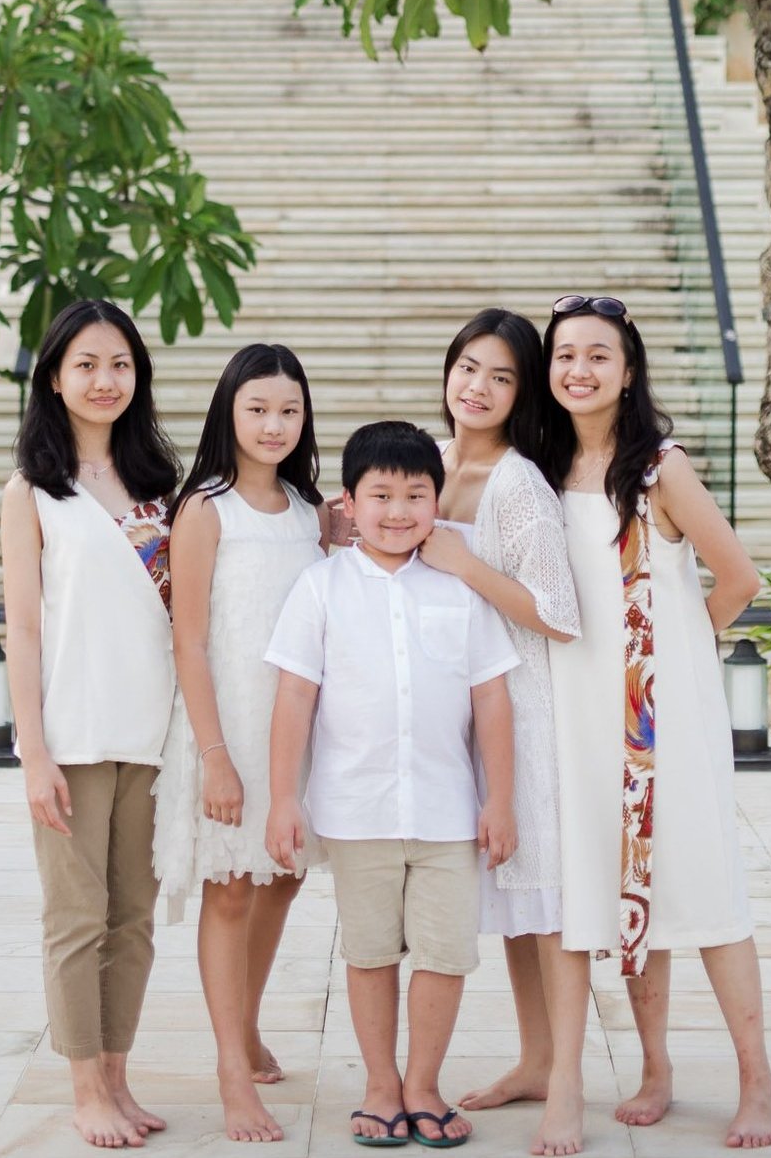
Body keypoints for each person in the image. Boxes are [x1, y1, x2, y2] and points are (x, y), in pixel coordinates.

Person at [538, 293, 771, 1156]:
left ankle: (756, 1078)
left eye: (597, 354)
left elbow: (740, 577)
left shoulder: (659, 468)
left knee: (701, 884)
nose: (579, 369)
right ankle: (654, 1068)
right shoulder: (542, 470)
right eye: (565, 354)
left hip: (662, 724)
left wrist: (671, 653)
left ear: (628, 368)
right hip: (578, 720)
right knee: (619, 886)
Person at [265, 421, 519, 1151]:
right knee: (371, 951)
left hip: (447, 812)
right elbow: (294, 698)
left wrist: (498, 798)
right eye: (381, 494)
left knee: (443, 953)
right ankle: (380, 1082)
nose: (399, 510)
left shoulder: (459, 586)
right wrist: (285, 795)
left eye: (416, 494)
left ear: (438, 500)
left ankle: (424, 1083)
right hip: (356, 808)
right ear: (350, 500)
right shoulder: (320, 587)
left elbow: (492, 698)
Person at [0, 299, 178, 1152]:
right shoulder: (32, 491)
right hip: (73, 733)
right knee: (77, 917)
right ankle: (83, 1089)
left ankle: (116, 1072)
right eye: (86, 364)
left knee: (134, 917)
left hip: (153, 734)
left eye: (120, 364)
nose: (104, 380)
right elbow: (24, 630)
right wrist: (33, 753)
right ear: (55, 377)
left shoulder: (160, 485)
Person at [152, 344, 329, 1144]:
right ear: (230, 411)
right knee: (230, 888)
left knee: (283, 876)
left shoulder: (305, 507)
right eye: (257, 408)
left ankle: (248, 1023)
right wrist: (216, 755)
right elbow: (189, 642)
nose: (273, 423)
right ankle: (231, 1067)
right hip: (225, 727)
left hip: (294, 732)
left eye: (288, 409)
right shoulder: (203, 507)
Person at [414, 310, 580, 1115]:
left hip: (522, 705)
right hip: (455, 706)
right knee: (511, 895)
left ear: (521, 395)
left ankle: (567, 1083)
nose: (478, 386)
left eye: (502, 376)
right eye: (469, 367)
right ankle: (535, 1059)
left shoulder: (519, 481)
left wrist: (466, 562)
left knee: (543, 896)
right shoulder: (431, 458)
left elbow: (558, 609)